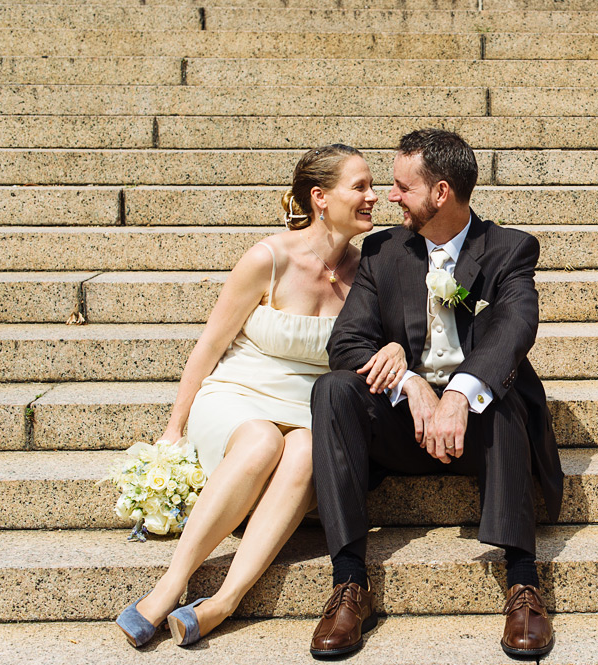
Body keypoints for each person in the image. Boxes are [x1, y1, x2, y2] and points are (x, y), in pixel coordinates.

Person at [114, 145, 407, 648]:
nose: (374, 197)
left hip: (311, 409)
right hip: (239, 397)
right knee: (260, 442)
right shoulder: (267, 258)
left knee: (304, 452)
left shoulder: (371, 269)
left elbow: (398, 340)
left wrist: (398, 346)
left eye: (373, 187)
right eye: (359, 187)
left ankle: (225, 599)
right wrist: (173, 429)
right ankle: (170, 585)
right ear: (320, 197)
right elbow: (210, 344)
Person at [309, 129, 564, 659]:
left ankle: (522, 581)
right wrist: (411, 383)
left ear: (441, 192)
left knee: (506, 393)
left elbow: (514, 328)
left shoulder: (509, 248)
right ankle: (349, 583)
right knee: (333, 390)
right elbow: (347, 342)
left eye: (404, 187)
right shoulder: (384, 250)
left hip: (481, 431)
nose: (391, 197)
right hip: (405, 425)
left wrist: (459, 395)